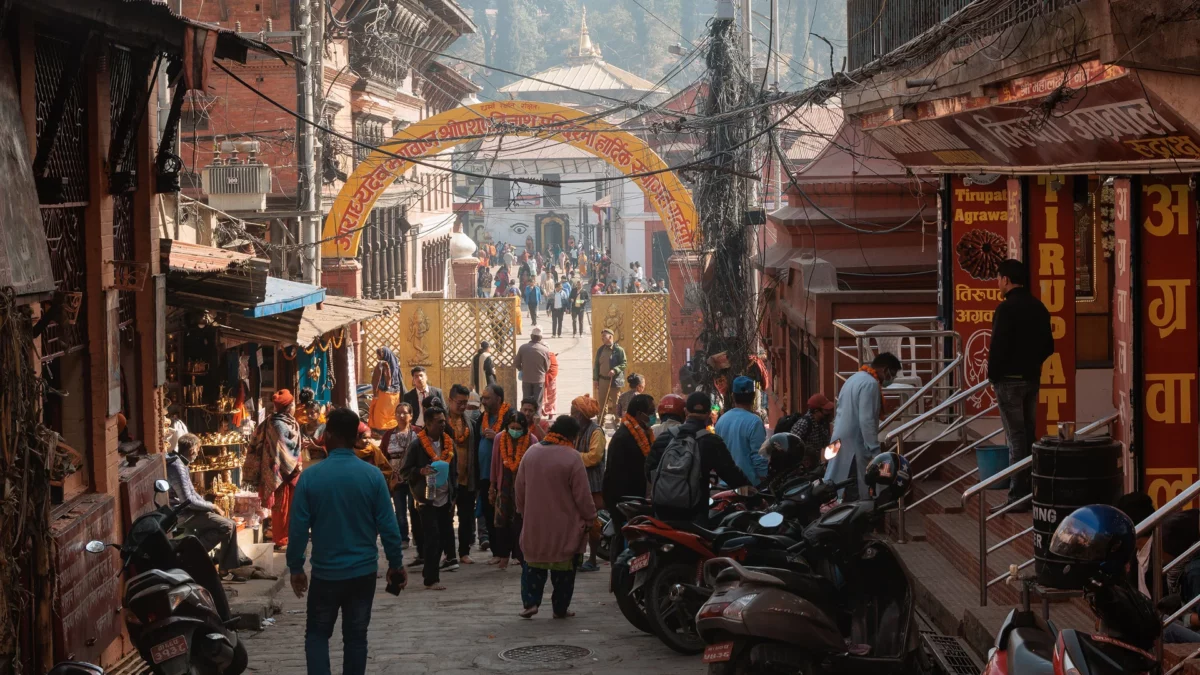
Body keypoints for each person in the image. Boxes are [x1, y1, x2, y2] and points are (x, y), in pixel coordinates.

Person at [287, 407, 407, 675]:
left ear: (328, 435)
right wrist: (396, 564)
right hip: (362, 573)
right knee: (356, 637)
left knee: (317, 635)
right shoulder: (372, 476)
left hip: (326, 573)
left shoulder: (310, 478)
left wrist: (296, 568)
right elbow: (389, 526)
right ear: (354, 437)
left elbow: (297, 530)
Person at [988, 258, 1054, 514]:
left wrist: (994, 375)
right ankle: (1033, 489)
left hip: (1008, 382)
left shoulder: (1005, 310)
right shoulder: (1038, 307)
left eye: (999, 278)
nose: (998, 283)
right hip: (1031, 379)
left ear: (1006, 279)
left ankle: (1018, 495)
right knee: (1028, 434)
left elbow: (998, 347)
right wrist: (1031, 363)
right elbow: (1049, 346)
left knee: (1016, 438)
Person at [515, 415, 596, 618]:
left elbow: (519, 488)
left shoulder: (531, 453)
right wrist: (590, 517)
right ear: (572, 436)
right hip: (564, 527)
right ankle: (560, 608)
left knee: (533, 566)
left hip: (535, 524)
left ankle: (531, 603)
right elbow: (583, 495)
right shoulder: (572, 457)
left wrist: (524, 512)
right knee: (564, 572)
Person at [645, 392, 750, 522]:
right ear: (708, 414)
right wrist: (755, 497)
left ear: (685, 411)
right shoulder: (711, 442)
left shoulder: (665, 437)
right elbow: (733, 475)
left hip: (661, 511)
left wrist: (668, 488)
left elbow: (649, 470)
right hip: (693, 514)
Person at [824, 352, 902, 500]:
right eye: (893, 374)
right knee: (852, 488)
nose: (892, 379)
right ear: (885, 370)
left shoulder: (855, 378)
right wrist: (874, 449)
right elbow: (866, 420)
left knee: (836, 481)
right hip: (854, 445)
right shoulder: (870, 384)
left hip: (839, 438)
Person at [167, 434, 245, 573]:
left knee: (228, 523)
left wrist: (207, 505)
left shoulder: (181, 463)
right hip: (183, 515)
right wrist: (212, 506)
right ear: (192, 450)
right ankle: (195, 556)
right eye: (197, 450)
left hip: (191, 511)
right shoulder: (177, 466)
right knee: (227, 526)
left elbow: (192, 493)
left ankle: (224, 566)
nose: (197, 454)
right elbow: (188, 500)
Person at [400, 403, 458, 589]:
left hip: (445, 497)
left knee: (442, 537)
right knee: (432, 537)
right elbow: (405, 471)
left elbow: (454, 470)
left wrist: (454, 493)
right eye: (439, 422)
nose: (443, 425)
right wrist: (420, 471)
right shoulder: (417, 444)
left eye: (444, 421)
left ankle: (429, 570)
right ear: (428, 424)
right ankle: (432, 579)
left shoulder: (448, 442)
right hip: (426, 498)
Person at [602, 394, 655, 549]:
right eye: (651, 412)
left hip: (636, 499)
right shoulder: (623, 437)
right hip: (624, 501)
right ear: (639, 414)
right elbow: (616, 475)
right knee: (622, 539)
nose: (653, 416)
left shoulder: (644, 432)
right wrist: (625, 504)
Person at [489, 411, 535, 571]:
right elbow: (494, 464)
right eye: (512, 427)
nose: (515, 431)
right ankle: (503, 557)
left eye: (518, 428)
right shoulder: (499, 438)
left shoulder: (532, 440)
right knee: (501, 523)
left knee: (520, 523)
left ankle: (520, 556)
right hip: (504, 486)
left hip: (523, 489)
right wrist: (492, 486)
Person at [570, 395, 606, 572]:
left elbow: (594, 457)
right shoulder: (576, 431)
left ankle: (592, 558)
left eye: (573, 412)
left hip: (593, 485)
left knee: (593, 523)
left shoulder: (596, 431)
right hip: (578, 484)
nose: (571, 415)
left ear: (581, 415)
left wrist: (572, 456)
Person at [447, 384, 482, 564]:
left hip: (466, 477)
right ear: (450, 400)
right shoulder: (442, 421)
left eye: (465, 403)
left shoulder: (470, 422)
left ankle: (464, 552)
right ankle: (449, 553)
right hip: (447, 479)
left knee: (466, 517)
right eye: (459, 402)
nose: (462, 406)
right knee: (446, 517)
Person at [714, 376, 769, 487]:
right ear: (753, 397)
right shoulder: (755, 422)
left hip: (725, 485)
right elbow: (758, 456)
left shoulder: (721, 421)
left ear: (733, 396)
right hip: (748, 487)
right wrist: (764, 479)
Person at [264, 389, 302, 551]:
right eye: (293, 404)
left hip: (292, 469)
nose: (294, 407)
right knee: (281, 507)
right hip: (280, 471)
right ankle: (280, 539)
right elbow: (282, 447)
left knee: (293, 505)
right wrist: (292, 464)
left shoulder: (290, 421)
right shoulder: (276, 423)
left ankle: (289, 536)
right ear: (289, 407)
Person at [380, 402, 418, 550]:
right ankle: (403, 538)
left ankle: (417, 535)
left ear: (411, 415)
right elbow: (382, 457)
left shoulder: (417, 432)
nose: (401, 416)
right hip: (396, 479)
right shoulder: (389, 435)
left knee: (414, 508)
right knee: (400, 510)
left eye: (405, 413)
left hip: (414, 478)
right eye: (398, 413)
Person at [789, 393, 836, 464]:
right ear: (816, 411)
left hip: (815, 463)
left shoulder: (822, 423)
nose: (829, 413)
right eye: (826, 410)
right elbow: (791, 444)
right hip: (801, 465)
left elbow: (827, 444)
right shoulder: (803, 424)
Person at [593, 328, 627, 425]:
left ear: (610, 337)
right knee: (602, 402)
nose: (602, 338)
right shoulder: (600, 350)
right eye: (602, 336)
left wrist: (615, 370)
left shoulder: (619, 350)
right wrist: (595, 379)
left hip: (614, 380)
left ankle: (617, 420)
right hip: (602, 380)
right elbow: (596, 365)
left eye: (604, 336)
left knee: (616, 402)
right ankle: (601, 421)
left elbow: (624, 363)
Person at [368, 347, 405, 434]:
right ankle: (392, 428)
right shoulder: (395, 363)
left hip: (384, 393)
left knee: (380, 412)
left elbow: (376, 380)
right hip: (396, 393)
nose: (377, 356)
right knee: (392, 412)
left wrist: (375, 392)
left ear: (383, 355)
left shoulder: (382, 364)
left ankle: (381, 431)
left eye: (378, 354)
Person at [515, 327, 551, 410]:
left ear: (531, 336)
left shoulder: (523, 348)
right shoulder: (544, 350)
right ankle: (536, 418)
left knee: (526, 401)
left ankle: (525, 418)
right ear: (541, 338)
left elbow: (516, 363)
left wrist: (522, 369)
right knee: (537, 402)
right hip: (539, 380)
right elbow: (547, 367)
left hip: (526, 379)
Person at [352, 421, 394, 486]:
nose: (368, 441)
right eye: (364, 438)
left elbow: (387, 470)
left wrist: (376, 475)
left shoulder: (375, 451)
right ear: (356, 438)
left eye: (369, 438)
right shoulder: (348, 454)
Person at [543, 351, 560, 418]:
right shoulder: (552, 356)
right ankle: (551, 413)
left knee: (541, 397)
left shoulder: (539, 354)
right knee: (552, 397)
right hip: (551, 379)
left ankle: (541, 412)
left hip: (540, 378)